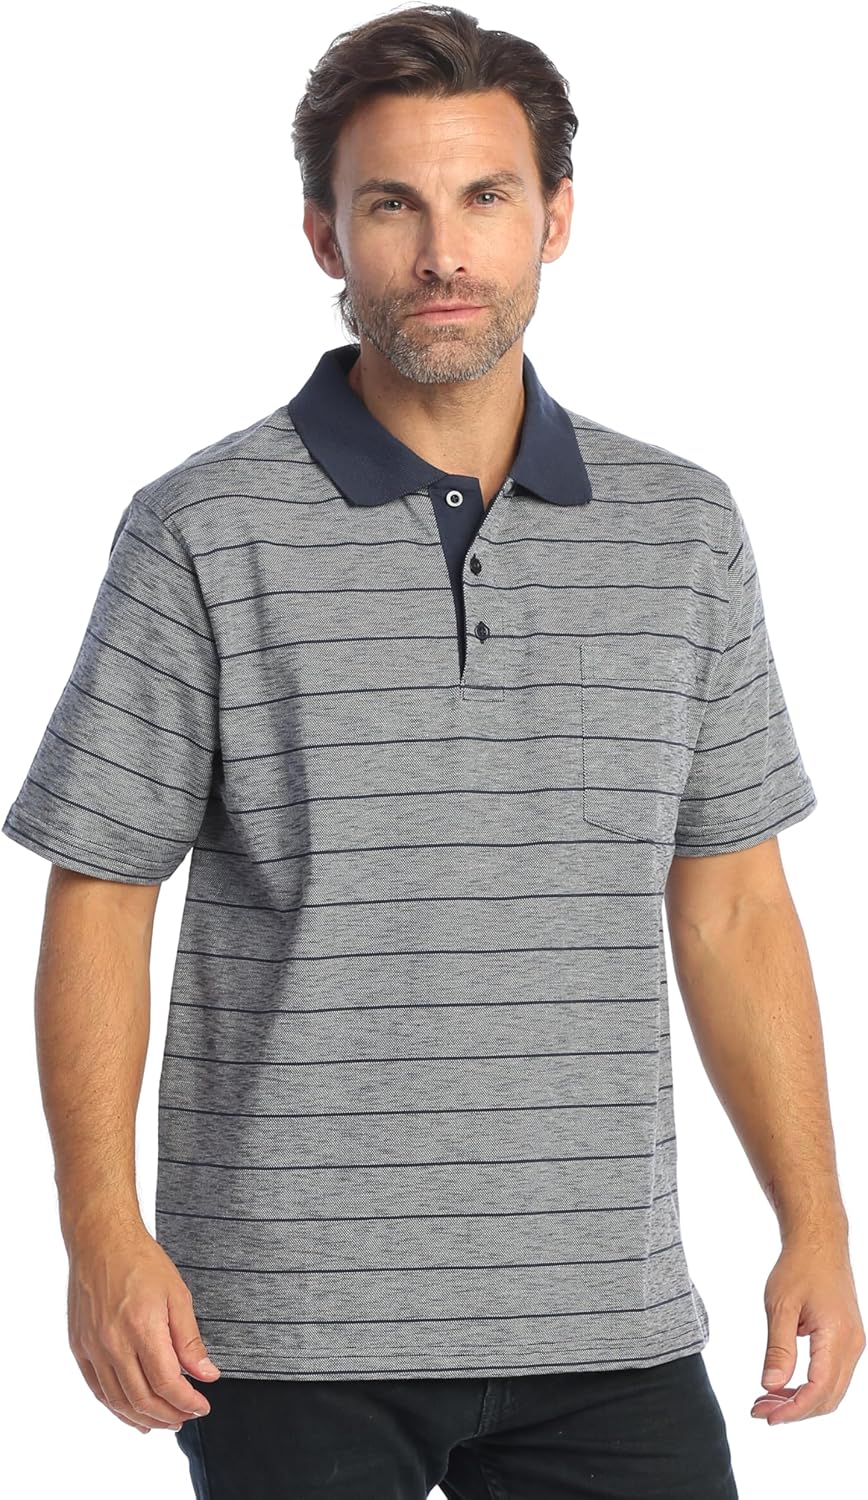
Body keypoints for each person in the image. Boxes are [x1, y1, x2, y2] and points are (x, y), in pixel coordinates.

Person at [4, 6, 863, 1498]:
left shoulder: (685, 529)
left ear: (557, 219)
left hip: (607, 1314)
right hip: (282, 1329)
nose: (445, 254)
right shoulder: (200, 529)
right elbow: (103, 897)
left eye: (486, 197)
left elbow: (733, 905)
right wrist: (100, 1234)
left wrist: (817, 1220)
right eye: (393, 203)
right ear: (325, 236)